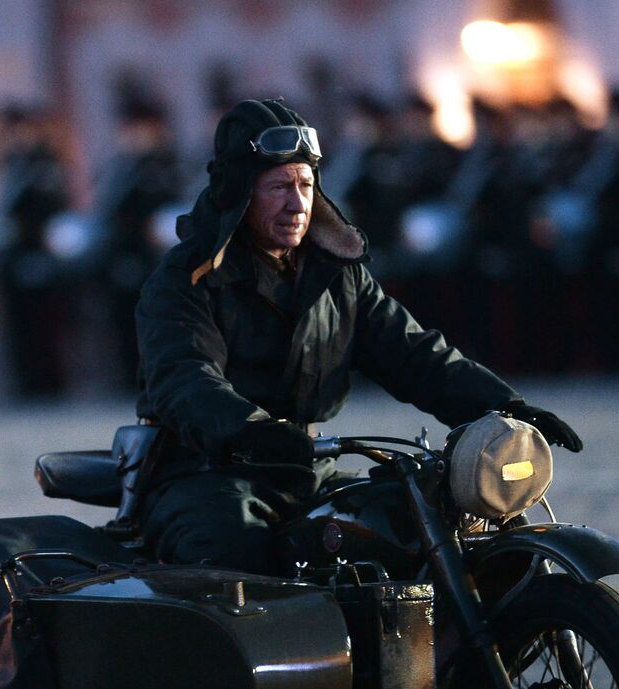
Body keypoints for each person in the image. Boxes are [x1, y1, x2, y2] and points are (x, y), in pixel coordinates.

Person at [134, 98, 580, 575]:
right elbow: (185, 379)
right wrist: (251, 430)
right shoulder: (188, 279)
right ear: (239, 193)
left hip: (307, 468)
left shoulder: (336, 274)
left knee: (414, 529)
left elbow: (413, 354)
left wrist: (503, 407)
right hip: (203, 475)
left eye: (306, 184)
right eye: (279, 186)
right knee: (239, 556)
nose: (297, 202)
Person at [89, 94, 183, 391]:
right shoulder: (119, 165)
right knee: (121, 319)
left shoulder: (164, 165)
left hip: (151, 256)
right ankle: (128, 378)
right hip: (118, 253)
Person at [0, 101, 72, 398]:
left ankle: (49, 383)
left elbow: (53, 208)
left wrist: (38, 245)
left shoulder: (44, 162)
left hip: (38, 251)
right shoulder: (8, 162)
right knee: (17, 321)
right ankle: (23, 382)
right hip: (12, 255)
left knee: (45, 322)